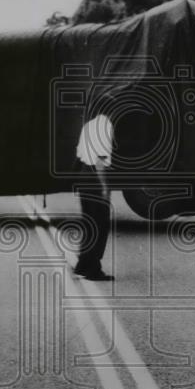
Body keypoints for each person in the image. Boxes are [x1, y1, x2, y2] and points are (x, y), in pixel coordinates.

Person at [73, 112, 114, 281]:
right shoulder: (105, 125)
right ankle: (93, 269)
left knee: (89, 223)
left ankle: (83, 264)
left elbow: (78, 153)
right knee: (100, 223)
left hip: (84, 175)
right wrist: (104, 187)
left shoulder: (88, 125)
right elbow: (100, 159)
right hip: (95, 177)